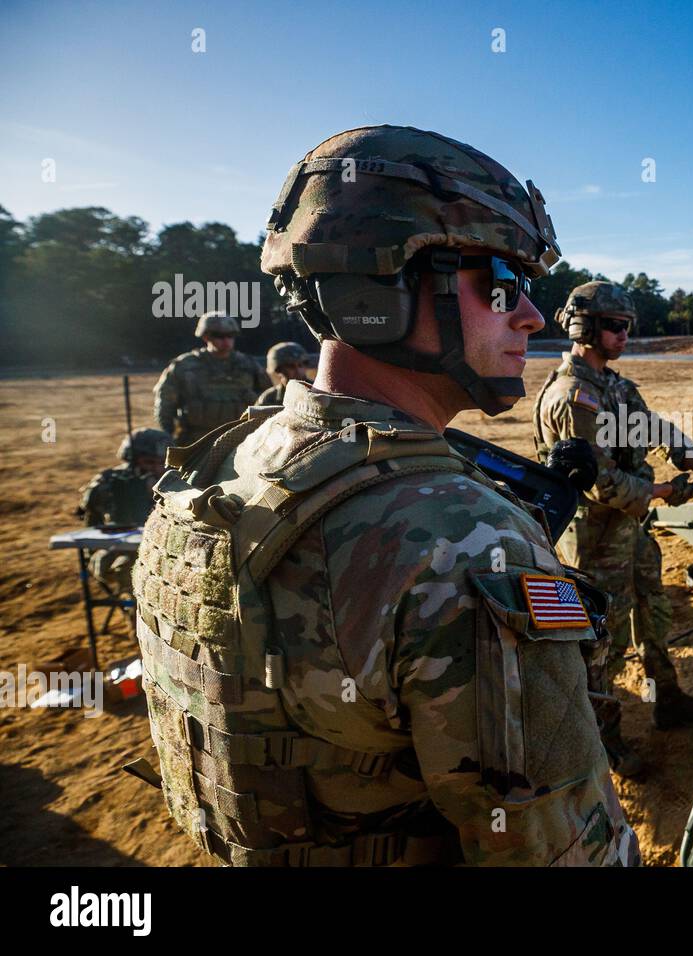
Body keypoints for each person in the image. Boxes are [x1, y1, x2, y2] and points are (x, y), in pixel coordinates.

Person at [131, 125, 637, 867]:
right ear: (383, 289)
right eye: (502, 283)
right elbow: (563, 851)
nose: (531, 315)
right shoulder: (464, 541)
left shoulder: (229, 460)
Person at [533, 281, 693, 777]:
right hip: (596, 540)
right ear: (584, 328)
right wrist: (666, 491)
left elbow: (656, 429)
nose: (624, 335)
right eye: (614, 326)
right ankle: (603, 743)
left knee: (653, 608)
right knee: (603, 641)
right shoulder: (574, 398)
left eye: (628, 326)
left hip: (631, 529)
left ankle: (668, 697)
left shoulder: (614, 386)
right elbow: (601, 484)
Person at [76, 428, 173, 597]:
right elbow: (90, 518)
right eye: (149, 462)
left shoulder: (176, 482)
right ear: (132, 460)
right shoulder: (110, 482)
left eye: (162, 463)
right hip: (119, 548)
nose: (157, 469)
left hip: (164, 549)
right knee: (125, 568)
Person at [153, 312, 271, 445]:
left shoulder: (249, 364)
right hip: (195, 441)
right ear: (206, 336)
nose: (226, 340)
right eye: (219, 336)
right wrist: (167, 435)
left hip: (242, 440)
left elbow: (269, 399)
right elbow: (165, 404)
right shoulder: (184, 366)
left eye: (230, 335)